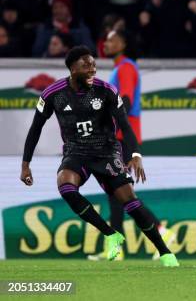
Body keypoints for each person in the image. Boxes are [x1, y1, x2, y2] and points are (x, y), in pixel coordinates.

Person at [20, 46, 179, 267]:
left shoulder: (106, 91)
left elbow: (124, 124)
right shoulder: (52, 94)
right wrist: (25, 164)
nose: (93, 69)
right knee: (65, 186)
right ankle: (110, 234)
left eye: (94, 64)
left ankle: (165, 252)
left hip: (106, 152)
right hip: (76, 152)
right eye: (87, 65)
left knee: (131, 204)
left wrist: (134, 154)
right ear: (73, 68)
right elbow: (35, 129)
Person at [85, 30, 175, 261]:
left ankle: (160, 233)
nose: (107, 42)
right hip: (118, 137)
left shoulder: (126, 67)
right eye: (106, 38)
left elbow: (125, 100)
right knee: (117, 192)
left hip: (123, 137)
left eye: (112, 38)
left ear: (124, 43)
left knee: (120, 191)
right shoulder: (120, 67)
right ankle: (117, 248)